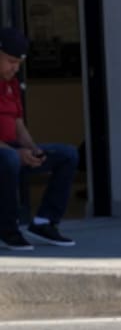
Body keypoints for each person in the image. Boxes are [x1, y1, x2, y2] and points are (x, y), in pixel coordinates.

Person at [0, 27, 78, 249]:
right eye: (10, 61)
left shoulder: (11, 84)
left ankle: (44, 222)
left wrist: (33, 149)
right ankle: (7, 229)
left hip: (10, 150)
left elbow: (18, 125)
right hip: (5, 155)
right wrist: (16, 153)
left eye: (18, 63)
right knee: (10, 159)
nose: (15, 68)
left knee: (67, 155)